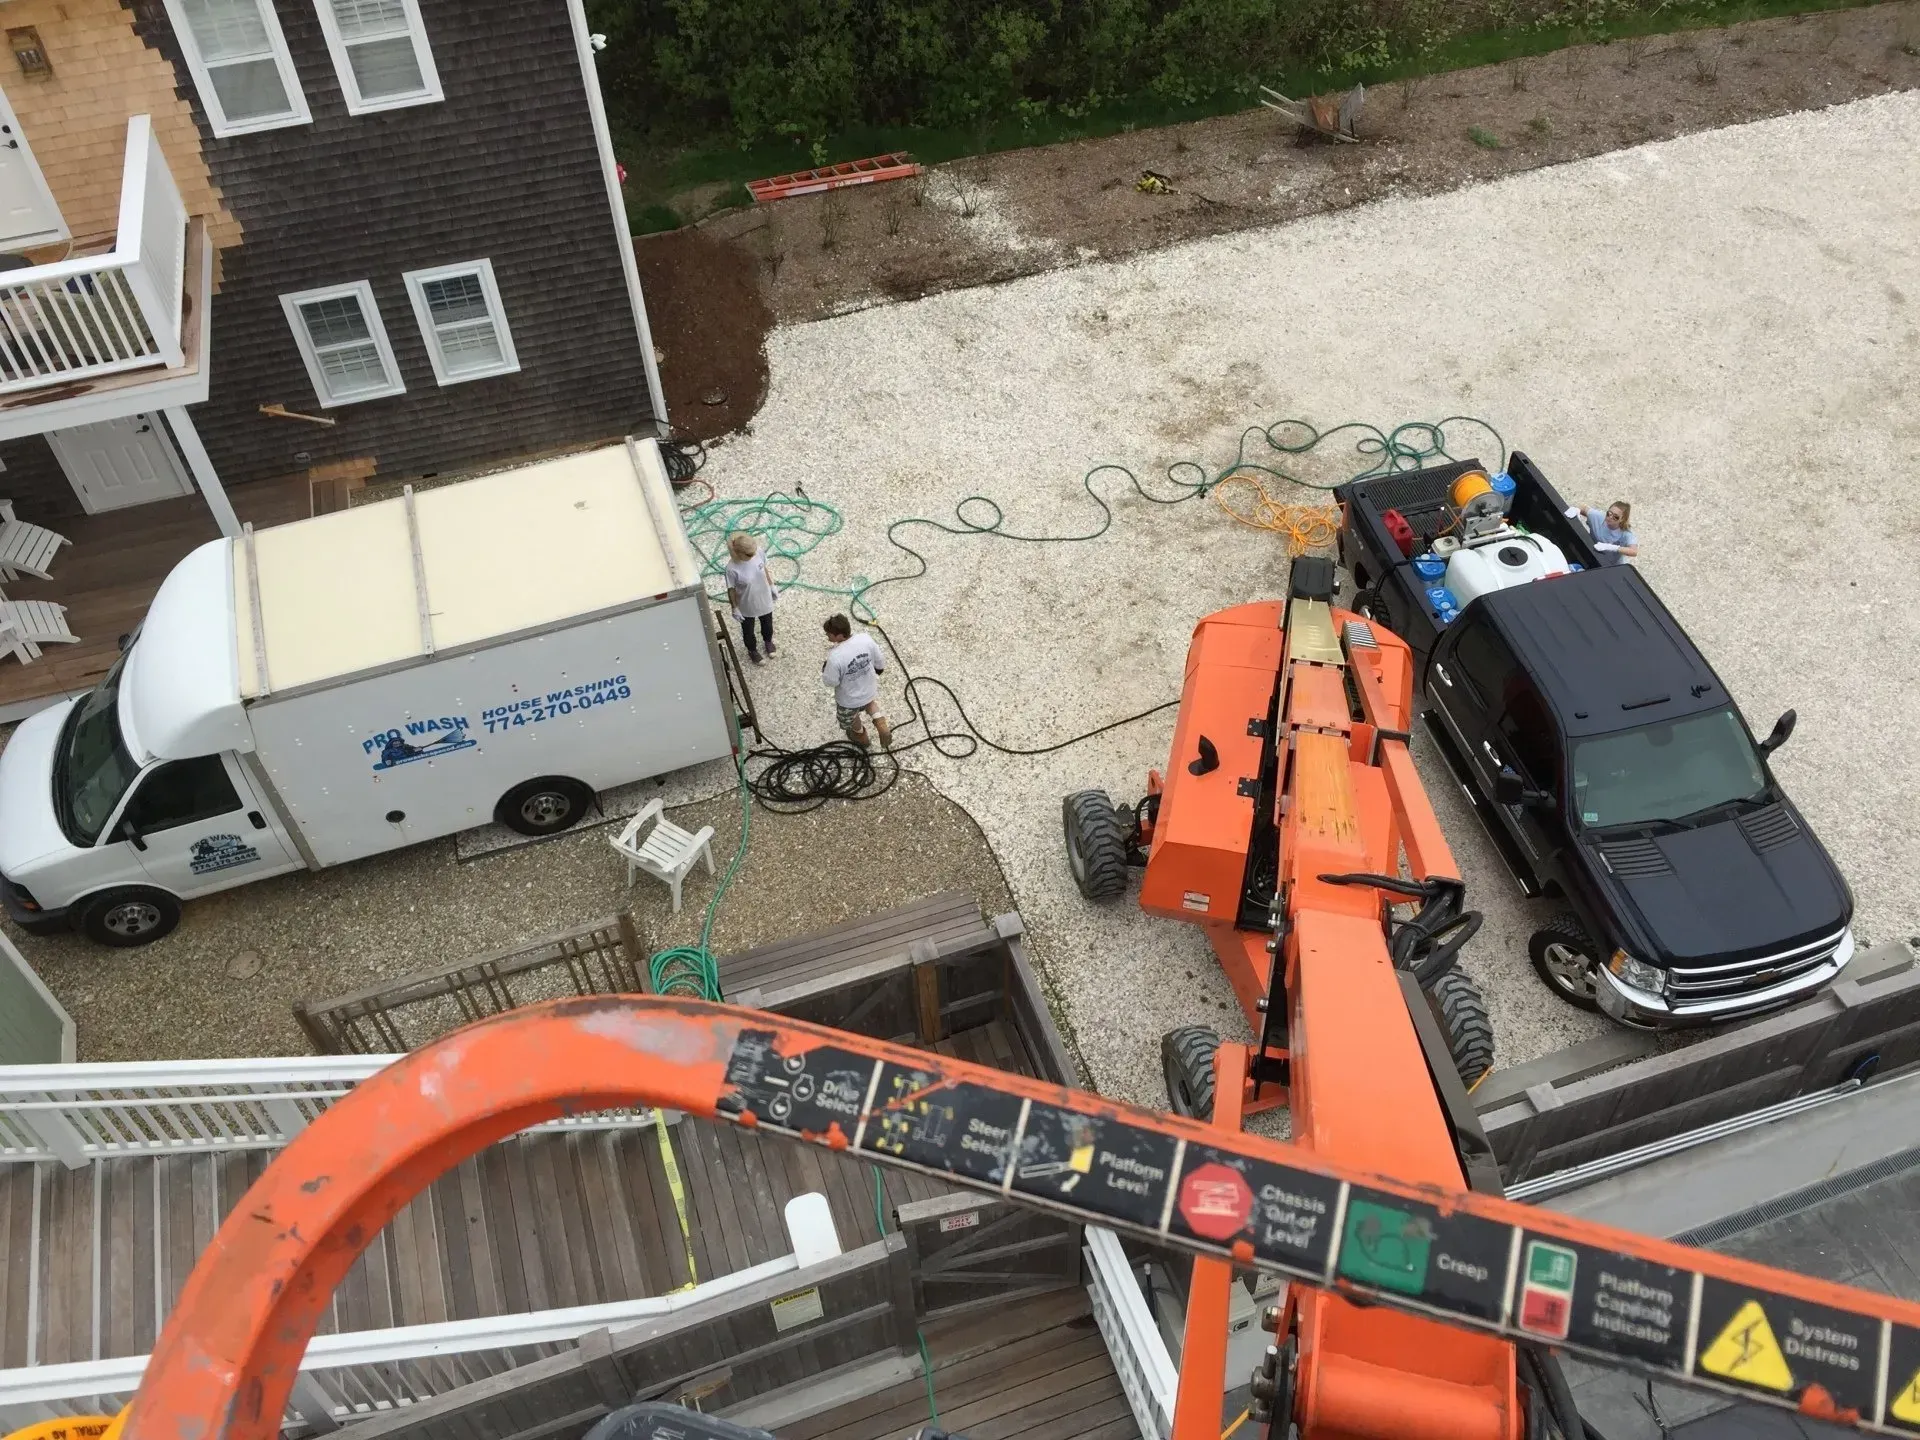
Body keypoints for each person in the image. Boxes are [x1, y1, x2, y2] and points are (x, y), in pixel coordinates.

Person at [822, 613, 891, 749]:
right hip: (869, 688)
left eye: (829, 634)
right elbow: (879, 661)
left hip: (849, 699)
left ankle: (860, 736)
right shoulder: (865, 639)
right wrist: (878, 669)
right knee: (869, 703)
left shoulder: (835, 657)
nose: (827, 636)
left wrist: (825, 669)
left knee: (852, 717)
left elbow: (831, 682)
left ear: (840, 635)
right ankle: (881, 723)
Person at [723, 532, 777, 663]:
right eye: (749, 554)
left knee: (767, 623)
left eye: (754, 552)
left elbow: (764, 568)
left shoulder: (757, 552)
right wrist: (734, 607)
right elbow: (731, 589)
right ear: (739, 553)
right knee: (748, 629)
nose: (753, 555)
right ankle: (752, 649)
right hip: (747, 603)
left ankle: (768, 641)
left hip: (763, 597)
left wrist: (771, 585)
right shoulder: (732, 569)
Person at [1565, 500, 1638, 565]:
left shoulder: (1626, 533)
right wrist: (1577, 510)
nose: (1610, 517)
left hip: (1611, 564)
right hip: (1592, 553)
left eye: (1616, 517)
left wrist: (1610, 547)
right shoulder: (1598, 517)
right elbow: (1583, 507)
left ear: (1622, 519)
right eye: (1609, 513)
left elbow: (1634, 551)